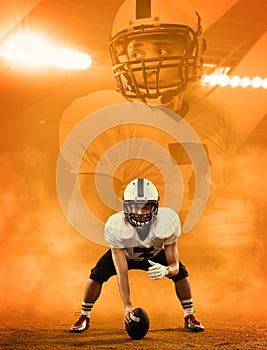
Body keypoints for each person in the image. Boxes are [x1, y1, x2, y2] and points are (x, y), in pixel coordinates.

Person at [70, 178, 204, 332]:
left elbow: (174, 265)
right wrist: (127, 304)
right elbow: (122, 274)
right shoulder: (116, 226)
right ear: (126, 207)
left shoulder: (168, 221)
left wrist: (166, 270)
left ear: (155, 207)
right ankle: (84, 316)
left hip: (153, 255)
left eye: (146, 207)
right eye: (135, 207)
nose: (140, 213)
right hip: (125, 254)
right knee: (97, 274)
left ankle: (189, 316)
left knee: (181, 273)